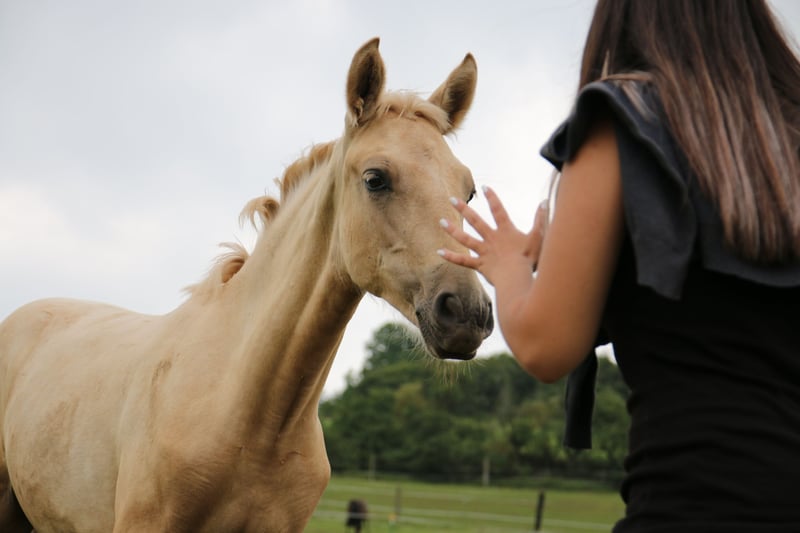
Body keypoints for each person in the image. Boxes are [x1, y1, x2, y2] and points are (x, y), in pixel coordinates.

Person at [438, 1, 800, 531]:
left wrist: (510, 266)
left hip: (693, 505)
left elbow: (545, 345)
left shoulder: (622, 120)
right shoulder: (787, 132)